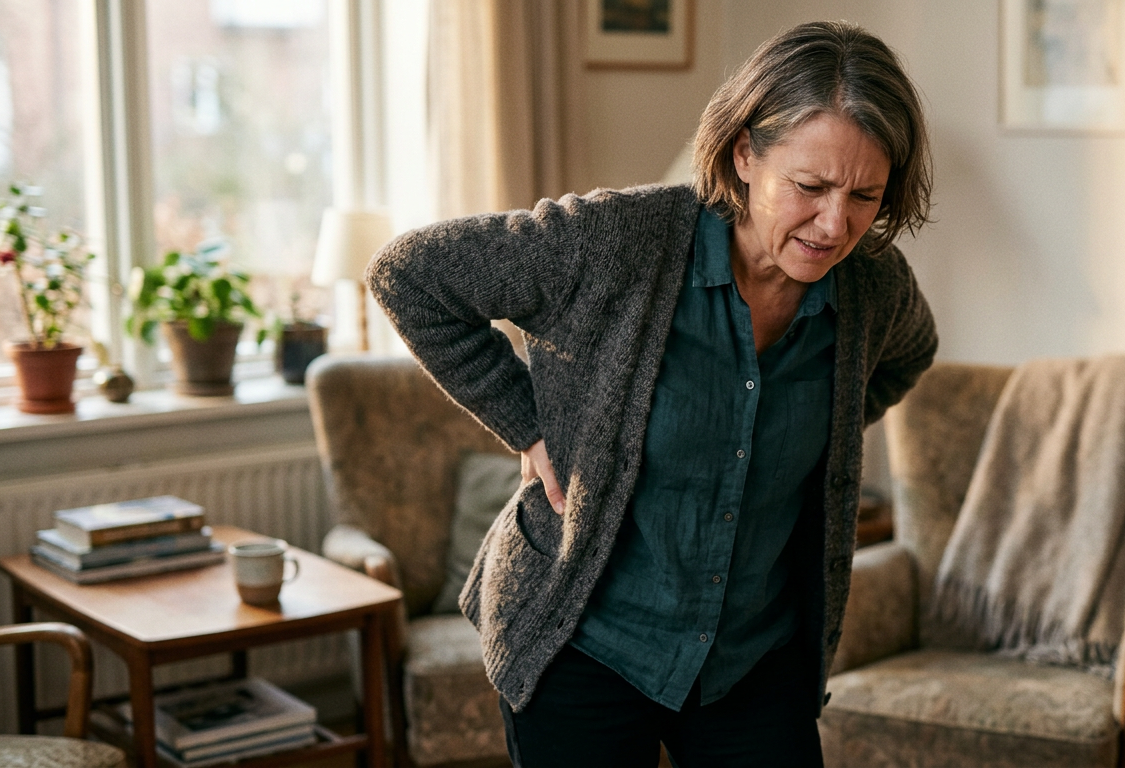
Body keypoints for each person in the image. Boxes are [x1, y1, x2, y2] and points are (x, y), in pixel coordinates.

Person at [368, 20, 938, 768]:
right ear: (744, 154)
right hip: (586, 644)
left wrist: (815, 434)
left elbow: (909, 355)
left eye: (865, 194)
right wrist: (531, 428)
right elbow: (408, 274)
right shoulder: (615, 241)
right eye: (810, 186)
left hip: (752, 661)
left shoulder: (873, 288)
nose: (837, 224)